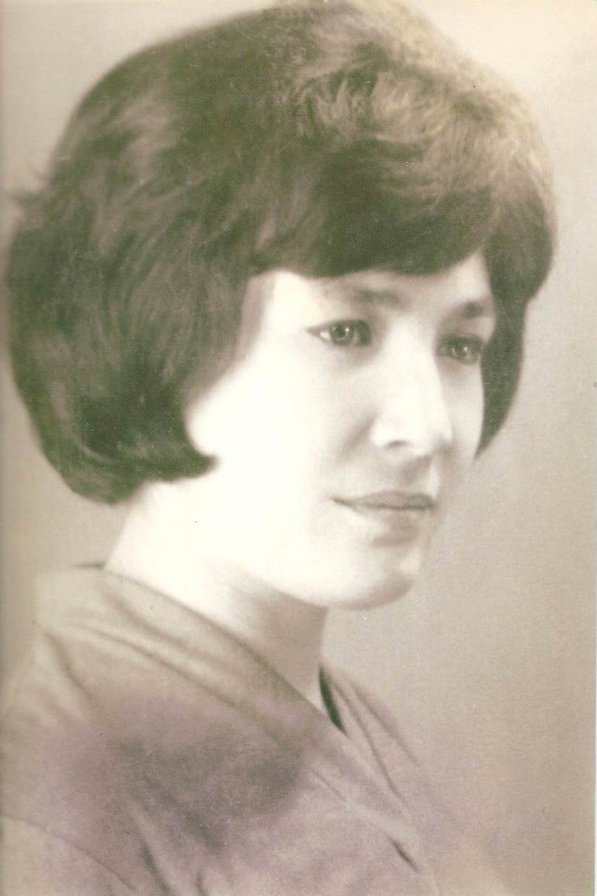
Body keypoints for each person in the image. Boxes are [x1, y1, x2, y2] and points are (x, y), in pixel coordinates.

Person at [1, 1, 554, 893]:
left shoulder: (335, 720)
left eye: (459, 345)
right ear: (159, 332)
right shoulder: (54, 827)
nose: (430, 425)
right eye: (345, 331)